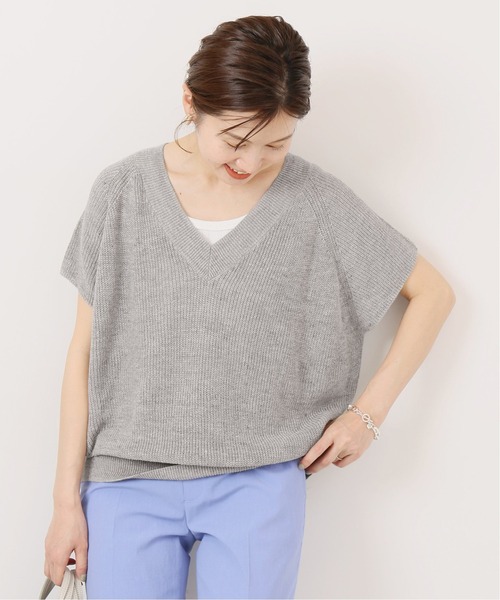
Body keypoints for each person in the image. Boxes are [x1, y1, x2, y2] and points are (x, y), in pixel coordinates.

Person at [43, 14, 455, 600]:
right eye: (235, 140)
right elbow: (82, 354)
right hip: (124, 482)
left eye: (277, 144)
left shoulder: (315, 202)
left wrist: (367, 416)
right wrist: (65, 503)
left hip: (258, 482)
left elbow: (433, 294)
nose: (252, 161)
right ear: (191, 102)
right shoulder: (122, 192)